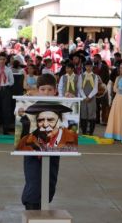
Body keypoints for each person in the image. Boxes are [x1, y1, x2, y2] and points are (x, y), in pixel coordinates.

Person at [20, 74, 72, 210]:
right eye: (43, 89)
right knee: (34, 180)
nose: (46, 93)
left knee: (49, 182)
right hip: (32, 152)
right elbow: (20, 115)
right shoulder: (30, 105)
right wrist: (21, 110)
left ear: (55, 91)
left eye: (50, 89)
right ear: (38, 90)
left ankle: (41, 206)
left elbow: (67, 122)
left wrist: (69, 100)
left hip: (53, 151)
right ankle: (31, 208)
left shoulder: (60, 106)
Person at [105, 62, 122, 140]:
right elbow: (114, 89)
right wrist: (121, 90)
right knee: (116, 116)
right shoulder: (118, 78)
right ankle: (116, 134)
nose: (120, 69)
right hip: (117, 98)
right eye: (120, 68)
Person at [79, 60, 99, 135]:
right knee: (83, 114)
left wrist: (89, 96)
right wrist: (84, 97)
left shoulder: (95, 76)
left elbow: (95, 88)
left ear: (92, 67)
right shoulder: (81, 76)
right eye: (87, 66)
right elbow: (80, 88)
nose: (88, 68)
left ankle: (91, 132)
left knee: (92, 114)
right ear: (85, 67)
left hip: (92, 98)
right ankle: (84, 132)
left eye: (90, 66)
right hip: (83, 98)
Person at [93, 53, 110, 125]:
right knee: (96, 105)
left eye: (95, 59)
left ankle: (104, 120)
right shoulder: (93, 68)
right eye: (94, 59)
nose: (94, 60)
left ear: (99, 59)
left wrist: (104, 85)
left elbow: (107, 76)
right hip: (96, 89)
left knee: (104, 105)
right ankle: (97, 119)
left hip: (103, 88)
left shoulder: (105, 66)